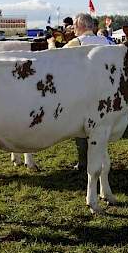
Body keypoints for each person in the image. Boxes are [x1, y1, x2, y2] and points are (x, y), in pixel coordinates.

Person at [47, 13, 109, 170]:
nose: (73, 29)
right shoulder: (105, 41)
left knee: (82, 132)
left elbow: (55, 58)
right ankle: (100, 161)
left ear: (81, 26)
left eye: (74, 26)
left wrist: (51, 43)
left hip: (83, 93)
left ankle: (84, 163)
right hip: (104, 92)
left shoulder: (77, 42)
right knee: (100, 131)